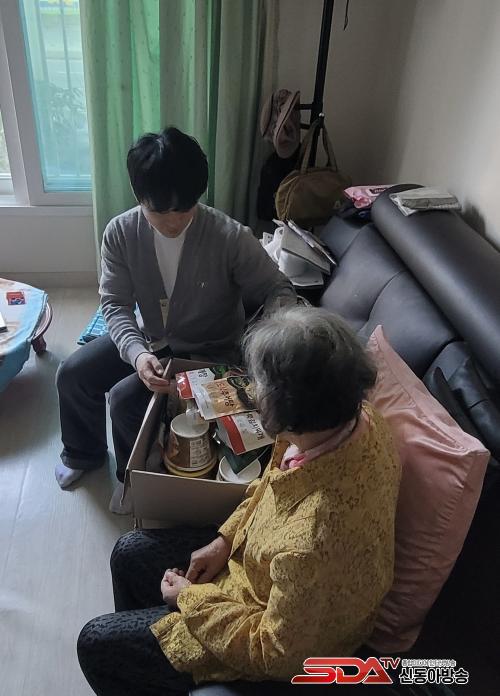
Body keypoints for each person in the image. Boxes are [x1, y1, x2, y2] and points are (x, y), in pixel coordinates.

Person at [77, 306, 401, 695]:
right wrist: (224, 540)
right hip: (261, 569)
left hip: (270, 635)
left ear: (288, 406)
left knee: (96, 643)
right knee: (129, 551)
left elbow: (276, 654)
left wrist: (191, 601)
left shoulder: (313, 541)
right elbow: (269, 489)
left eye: (260, 383)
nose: (253, 389)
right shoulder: (351, 419)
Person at [55, 126, 295, 510]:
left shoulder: (229, 237)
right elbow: (115, 304)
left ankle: (134, 477)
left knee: (125, 400)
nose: (173, 222)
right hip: (150, 340)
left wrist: (269, 344)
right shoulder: (120, 233)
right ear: (138, 195)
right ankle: (83, 453)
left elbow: (277, 287)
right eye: (159, 211)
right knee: (73, 373)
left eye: (184, 209)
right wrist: (137, 354)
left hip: (210, 351)